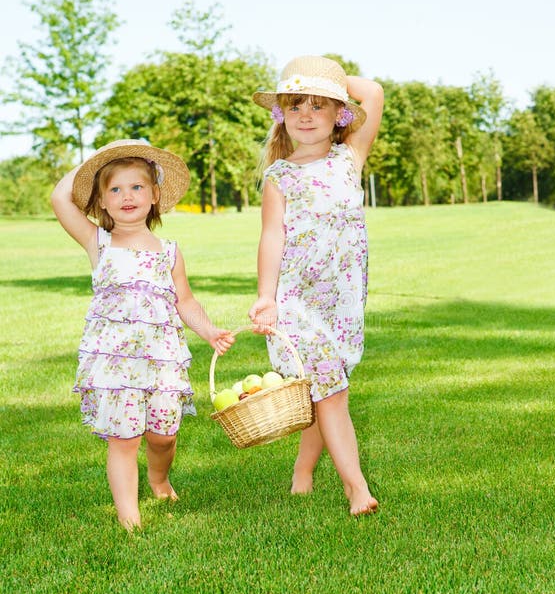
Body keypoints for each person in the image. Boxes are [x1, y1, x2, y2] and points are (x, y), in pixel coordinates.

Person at [51, 139, 234, 531]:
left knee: (163, 434)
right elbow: (59, 199)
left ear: (154, 195)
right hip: (115, 363)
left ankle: (158, 477)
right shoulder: (98, 243)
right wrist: (97, 158)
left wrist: (208, 329)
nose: (126, 196)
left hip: (163, 360)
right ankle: (129, 515)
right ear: (101, 202)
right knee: (124, 438)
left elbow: (184, 300)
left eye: (136, 187)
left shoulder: (169, 251)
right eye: (114, 189)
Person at [249, 56, 384, 516]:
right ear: (282, 116)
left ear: (339, 114)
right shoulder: (280, 175)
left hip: (343, 300)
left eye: (318, 105)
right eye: (295, 105)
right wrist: (266, 297)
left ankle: (302, 473)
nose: (306, 115)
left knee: (323, 388)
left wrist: (330, 79)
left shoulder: (350, 158)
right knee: (332, 389)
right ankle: (356, 488)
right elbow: (273, 235)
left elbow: (376, 92)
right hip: (297, 301)